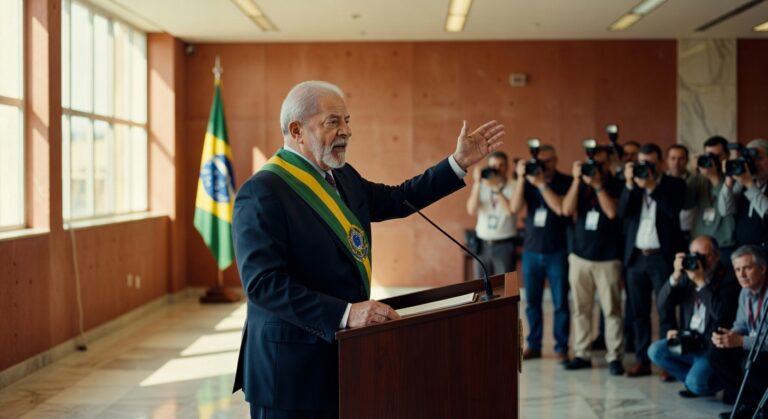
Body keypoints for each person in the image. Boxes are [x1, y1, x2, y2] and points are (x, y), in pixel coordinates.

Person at [231, 80, 505, 418]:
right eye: (334, 121)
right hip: (289, 372)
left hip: (344, 357)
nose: (346, 131)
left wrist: (457, 163)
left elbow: (398, 199)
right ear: (296, 130)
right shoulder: (262, 192)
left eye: (347, 120)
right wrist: (346, 313)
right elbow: (263, 285)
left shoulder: (343, 177)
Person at [618, 143, 687, 378]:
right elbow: (621, 213)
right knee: (638, 312)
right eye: (641, 162)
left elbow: (673, 210)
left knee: (666, 310)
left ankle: (669, 362)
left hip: (662, 258)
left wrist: (652, 187)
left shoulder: (674, 185)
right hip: (636, 257)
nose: (645, 167)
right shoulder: (634, 186)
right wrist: (630, 184)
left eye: (649, 163)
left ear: (659, 164)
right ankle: (642, 360)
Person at [647, 235, 740, 398]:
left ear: (717, 255)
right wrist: (675, 275)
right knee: (655, 351)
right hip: (690, 342)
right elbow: (663, 303)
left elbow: (722, 314)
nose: (699, 261)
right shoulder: (687, 275)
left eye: (704, 256)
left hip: (711, 348)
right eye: (694, 256)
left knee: (696, 383)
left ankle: (713, 381)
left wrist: (702, 283)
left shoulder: (729, 278)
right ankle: (696, 379)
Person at [561, 146, 625, 375]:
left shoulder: (617, 185)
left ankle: (614, 356)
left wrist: (598, 185)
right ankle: (581, 354)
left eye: (600, 164)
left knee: (612, 311)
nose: (595, 168)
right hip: (580, 257)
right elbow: (566, 210)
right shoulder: (580, 185)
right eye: (592, 163)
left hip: (608, 258)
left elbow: (611, 212)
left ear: (607, 164)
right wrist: (578, 181)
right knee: (581, 309)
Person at [511, 144, 572, 363]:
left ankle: (561, 346)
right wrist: (520, 178)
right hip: (531, 251)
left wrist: (542, 184)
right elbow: (514, 208)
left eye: (547, 161)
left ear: (555, 161)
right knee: (533, 302)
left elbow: (561, 208)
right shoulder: (528, 181)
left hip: (557, 250)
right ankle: (534, 345)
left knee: (560, 302)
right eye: (539, 161)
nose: (542, 165)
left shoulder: (565, 181)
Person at [709, 245, 768, 419]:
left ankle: (764, 409)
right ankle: (746, 405)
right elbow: (741, 324)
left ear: (762, 268)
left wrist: (740, 341)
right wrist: (728, 337)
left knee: (751, 363)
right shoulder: (744, 292)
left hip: (764, 350)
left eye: (747, 268)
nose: (741, 275)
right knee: (717, 354)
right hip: (755, 345)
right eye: (737, 269)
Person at [466, 151, 518, 277]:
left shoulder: (514, 185)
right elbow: (471, 210)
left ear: (507, 167)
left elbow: (509, 211)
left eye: (501, 165)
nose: (497, 169)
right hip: (482, 244)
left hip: (505, 244)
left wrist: (495, 187)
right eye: (493, 166)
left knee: (506, 287)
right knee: (481, 286)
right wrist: (478, 182)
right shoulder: (482, 185)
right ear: (488, 167)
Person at [686, 136, 736, 266]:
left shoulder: (734, 176)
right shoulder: (700, 178)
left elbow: (726, 206)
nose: (713, 160)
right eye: (709, 156)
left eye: (717, 156)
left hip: (724, 244)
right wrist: (694, 173)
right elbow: (687, 203)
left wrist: (714, 177)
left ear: (727, 155)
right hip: (699, 244)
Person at [720, 139, 768, 254]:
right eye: (751, 160)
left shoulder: (747, 183)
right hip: (743, 250)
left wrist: (749, 184)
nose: (755, 163)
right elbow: (725, 210)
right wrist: (728, 181)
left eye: (759, 159)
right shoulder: (742, 183)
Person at [667, 144, 694, 242]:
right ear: (667, 160)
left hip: (689, 232)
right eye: (673, 158)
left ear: (687, 160)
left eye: (680, 159)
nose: (676, 163)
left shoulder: (695, 180)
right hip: (667, 233)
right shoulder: (659, 182)